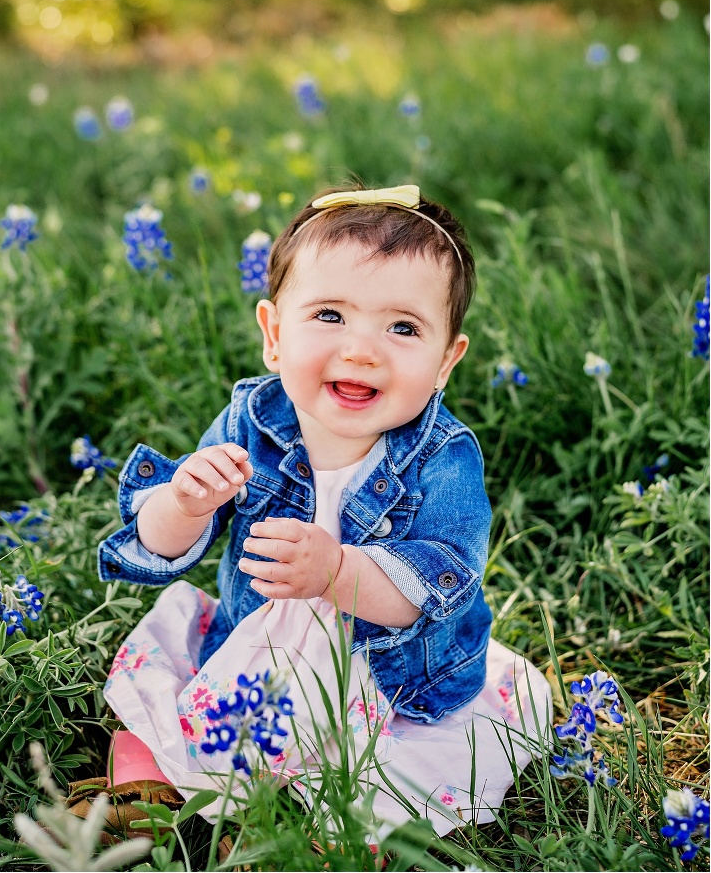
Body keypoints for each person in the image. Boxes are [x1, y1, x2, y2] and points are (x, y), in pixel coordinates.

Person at [86, 183, 550, 837]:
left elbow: (430, 584)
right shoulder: (250, 422)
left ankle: (359, 834)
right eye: (330, 315)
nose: (362, 349)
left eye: (403, 327)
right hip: (255, 659)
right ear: (274, 335)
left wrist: (336, 572)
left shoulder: (444, 458)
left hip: (388, 682)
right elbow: (162, 545)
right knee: (177, 716)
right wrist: (185, 502)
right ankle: (151, 777)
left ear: (447, 361)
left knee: (394, 774)